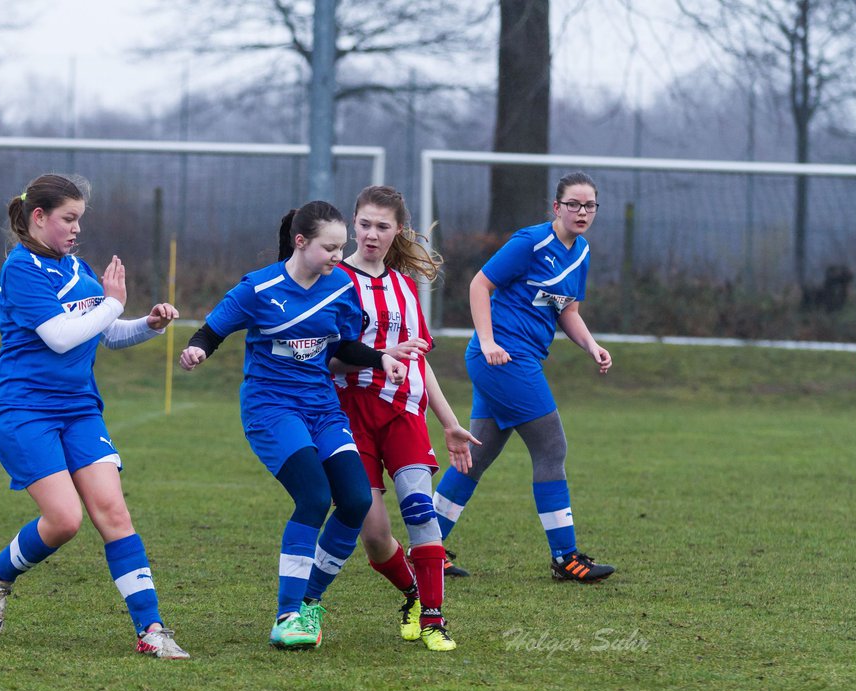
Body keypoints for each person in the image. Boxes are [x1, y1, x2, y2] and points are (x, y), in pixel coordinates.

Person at [0, 173, 190, 659]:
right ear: (38, 217)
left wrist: (147, 325)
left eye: (80, 220)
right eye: (67, 219)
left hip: (79, 410)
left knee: (114, 513)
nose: (76, 229)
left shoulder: (79, 268)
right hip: (24, 409)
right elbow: (58, 336)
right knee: (65, 520)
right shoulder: (21, 268)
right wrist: (113, 301)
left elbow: (105, 334)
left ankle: (151, 630)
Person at [179, 201, 408, 649]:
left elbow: (342, 345)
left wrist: (381, 358)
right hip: (271, 410)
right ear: (301, 242)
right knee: (314, 496)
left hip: (323, 408)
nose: (339, 257)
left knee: (356, 501)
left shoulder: (340, 285)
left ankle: (308, 602)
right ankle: (287, 616)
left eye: (342, 248)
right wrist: (197, 351)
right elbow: (211, 331)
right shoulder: (258, 288)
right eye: (330, 248)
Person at [432, 171, 616, 583]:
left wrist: (591, 346)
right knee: (552, 447)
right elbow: (480, 285)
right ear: (556, 207)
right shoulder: (530, 242)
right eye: (573, 204)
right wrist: (487, 340)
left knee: (475, 458)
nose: (582, 212)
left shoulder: (580, 252)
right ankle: (566, 558)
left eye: (589, 206)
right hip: (504, 359)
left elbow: (567, 310)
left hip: (515, 360)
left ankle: (425, 549)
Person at [333, 185, 477, 651]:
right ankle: (415, 594)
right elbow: (328, 359)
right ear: (353, 224)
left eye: (382, 226)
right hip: (352, 413)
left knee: (419, 511)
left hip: (404, 412)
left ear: (398, 231)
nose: (372, 235)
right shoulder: (334, 280)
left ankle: (435, 620)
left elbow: (419, 359)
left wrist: (450, 421)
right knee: (374, 535)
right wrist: (377, 357)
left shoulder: (402, 286)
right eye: (365, 224)